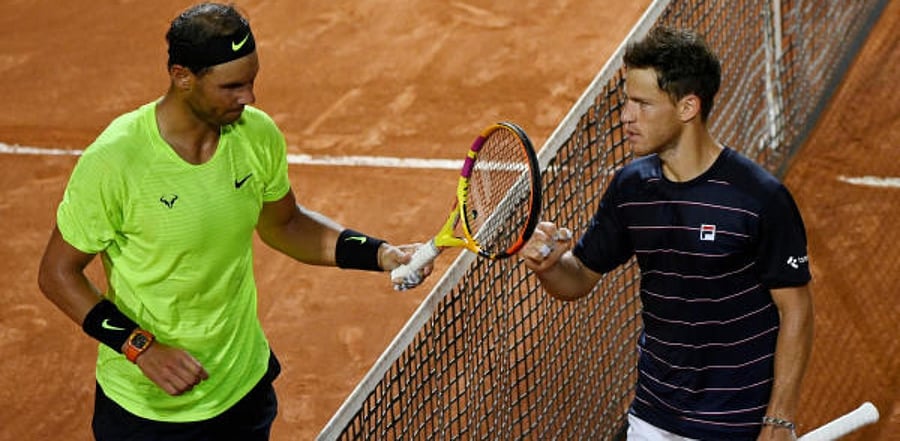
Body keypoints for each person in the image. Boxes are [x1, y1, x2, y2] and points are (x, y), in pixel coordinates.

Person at [37, 3, 429, 440]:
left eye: (252, 81)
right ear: (183, 76)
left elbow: (286, 225)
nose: (249, 97)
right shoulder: (116, 160)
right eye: (232, 86)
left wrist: (380, 253)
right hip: (148, 411)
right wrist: (140, 348)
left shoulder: (255, 136)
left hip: (242, 388)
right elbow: (57, 274)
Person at [521, 27, 813, 441]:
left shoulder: (759, 198)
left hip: (736, 420)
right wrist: (549, 266)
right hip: (653, 414)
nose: (626, 115)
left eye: (642, 103)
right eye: (627, 101)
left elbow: (796, 310)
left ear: (687, 107)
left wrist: (779, 419)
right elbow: (579, 277)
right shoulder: (631, 188)